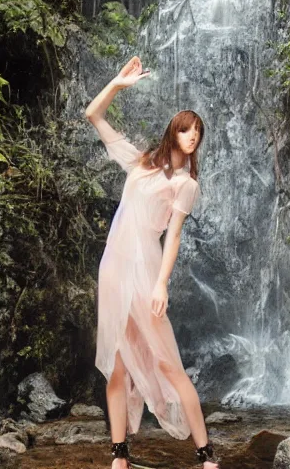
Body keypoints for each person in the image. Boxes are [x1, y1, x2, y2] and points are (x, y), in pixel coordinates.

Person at [85, 55, 220, 469]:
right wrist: (118, 84)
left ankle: (205, 454)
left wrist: (161, 284)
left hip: (146, 268)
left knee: (166, 360)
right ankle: (119, 454)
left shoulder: (186, 184)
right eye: (186, 128)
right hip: (114, 268)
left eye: (197, 131)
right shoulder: (141, 162)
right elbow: (93, 114)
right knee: (119, 365)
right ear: (173, 132)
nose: (192, 135)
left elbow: (174, 235)